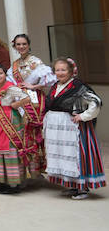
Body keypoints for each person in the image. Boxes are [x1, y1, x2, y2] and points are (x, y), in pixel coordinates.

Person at [44, 57, 105, 199]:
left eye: (63, 70)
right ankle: (72, 185)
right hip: (59, 130)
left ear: (71, 71)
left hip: (73, 129)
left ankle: (82, 188)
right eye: (57, 70)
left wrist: (83, 116)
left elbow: (95, 102)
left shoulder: (78, 86)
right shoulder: (55, 86)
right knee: (64, 155)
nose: (60, 73)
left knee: (76, 156)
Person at [10, 33, 55, 176]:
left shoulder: (36, 62)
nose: (21, 47)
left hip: (35, 101)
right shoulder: (15, 64)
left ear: (28, 45)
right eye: (18, 44)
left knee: (36, 131)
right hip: (20, 99)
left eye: (24, 44)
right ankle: (30, 171)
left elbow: (50, 79)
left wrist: (34, 86)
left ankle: (42, 167)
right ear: (15, 46)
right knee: (24, 131)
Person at [0, 64, 33, 194]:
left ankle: (14, 184)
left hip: (10, 120)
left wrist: (15, 104)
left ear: (5, 74)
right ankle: (4, 181)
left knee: (10, 148)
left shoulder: (10, 87)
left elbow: (27, 98)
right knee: (0, 149)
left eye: (0, 73)